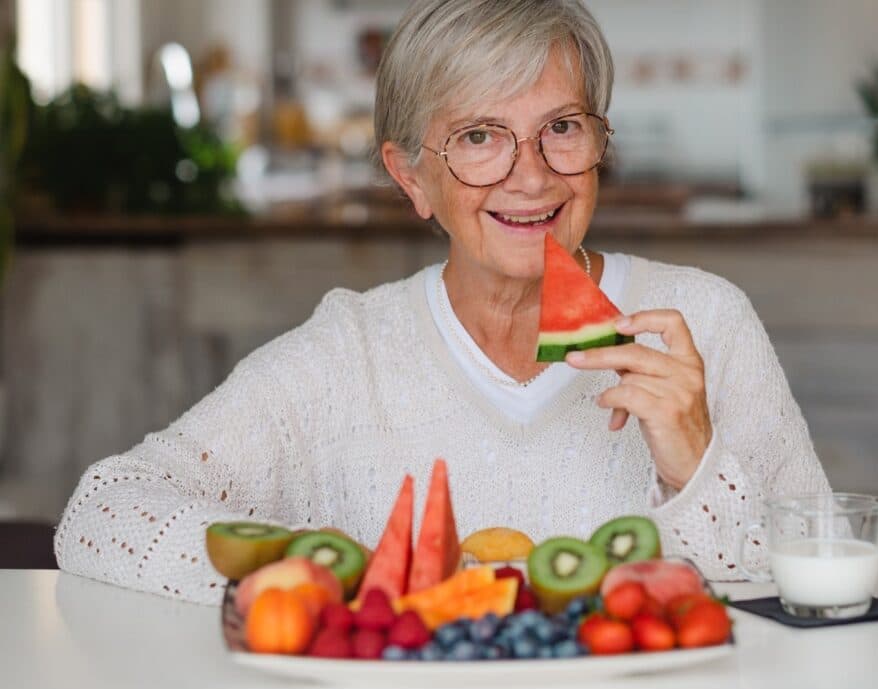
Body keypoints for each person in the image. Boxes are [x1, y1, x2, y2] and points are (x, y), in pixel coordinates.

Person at [55, 0, 830, 604]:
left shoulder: (704, 320)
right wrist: (342, 578)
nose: (532, 177)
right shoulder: (346, 351)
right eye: (479, 137)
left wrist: (698, 467)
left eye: (561, 127)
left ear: (601, 144)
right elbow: (105, 511)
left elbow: (822, 586)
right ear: (411, 176)